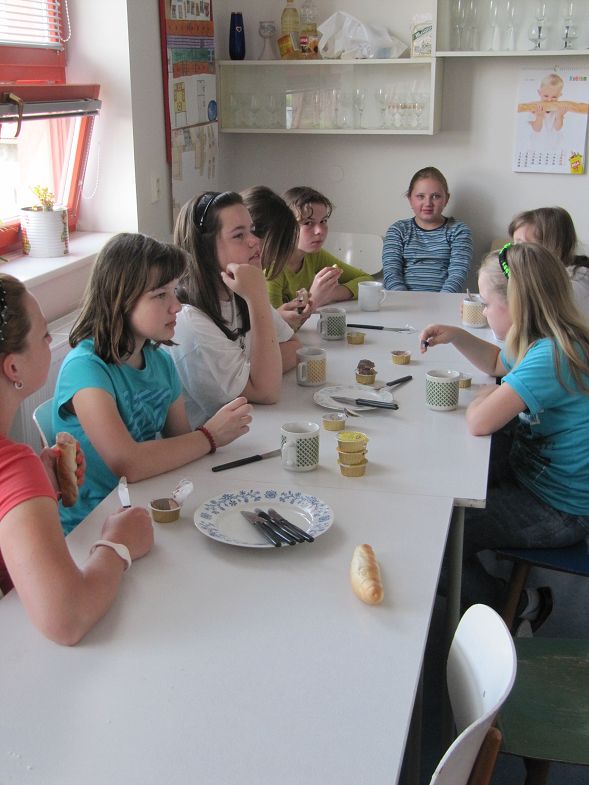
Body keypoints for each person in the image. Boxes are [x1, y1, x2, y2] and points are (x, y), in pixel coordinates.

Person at [420, 243, 589, 625]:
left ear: (516, 305)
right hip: (532, 474)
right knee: (444, 486)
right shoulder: (543, 336)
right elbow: (498, 362)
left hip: (560, 509)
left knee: (438, 539)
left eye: (486, 303)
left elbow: (479, 421)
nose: (481, 311)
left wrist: (487, 395)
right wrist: (457, 336)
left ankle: (517, 607)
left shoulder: (551, 356)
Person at [54, 233, 252, 533]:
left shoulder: (160, 362)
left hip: (141, 505)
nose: (177, 306)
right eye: (160, 295)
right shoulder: (85, 368)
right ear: (120, 299)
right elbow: (127, 463)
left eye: (175, 291)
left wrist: (204, 441)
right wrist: (210, 435)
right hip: (91, 528)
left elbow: (182, 446)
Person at [0, 273, 154, 644]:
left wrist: (37, 489)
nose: (51, 340)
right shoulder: (13, 466)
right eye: (44, 335)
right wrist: (116, 544)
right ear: (13, 368)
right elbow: (67, 617)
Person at [170, 191, 300, 430]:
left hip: (248, 429)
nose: (255, 241)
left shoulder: (239, 288)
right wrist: (258, 298)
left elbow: (294, 346)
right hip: (209, 446)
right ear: (205, 249)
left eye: (252, 230)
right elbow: (267, 392)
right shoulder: (189, 321)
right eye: (239, 235)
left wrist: (253, 372)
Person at [265, 186, 373, 313]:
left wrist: (331, 294)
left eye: (323, 221)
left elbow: (366, 280)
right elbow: (277, 323)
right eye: (308, 223)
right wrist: (313, 298)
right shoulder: (272, 269)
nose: (319, 231)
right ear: (284, 226)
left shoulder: (314, 255)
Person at [382, 166, 472, 292]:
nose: (428, 203)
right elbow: (391, 273)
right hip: (402, 299)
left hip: (444, 300)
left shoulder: (459, 231)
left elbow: (458, 275)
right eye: (420, 196)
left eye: (436, 196)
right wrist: (404, 299)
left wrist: (442, 300)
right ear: (410, 199)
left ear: (446, 199)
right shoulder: (398, 230)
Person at [241, 185, 312, 331]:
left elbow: (290, 340)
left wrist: (276, 320)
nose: (272, 259)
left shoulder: (252, 279)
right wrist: (317, 296)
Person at [508, 206, 589, 319]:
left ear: (554, 247)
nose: (514, 252)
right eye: (515, 245)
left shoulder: (578, 281)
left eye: (522, 245)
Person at [527, 73, 567, 153]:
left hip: (554, 144)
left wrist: (559, 116)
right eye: (546, 96)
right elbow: (536, 129)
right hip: (537, 145)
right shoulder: (533, 108)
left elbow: (557, 128)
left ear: (560, 95)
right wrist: (539, 117)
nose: (549, 100)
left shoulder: (558, 109)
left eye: (554, 97)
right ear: (539, 92)